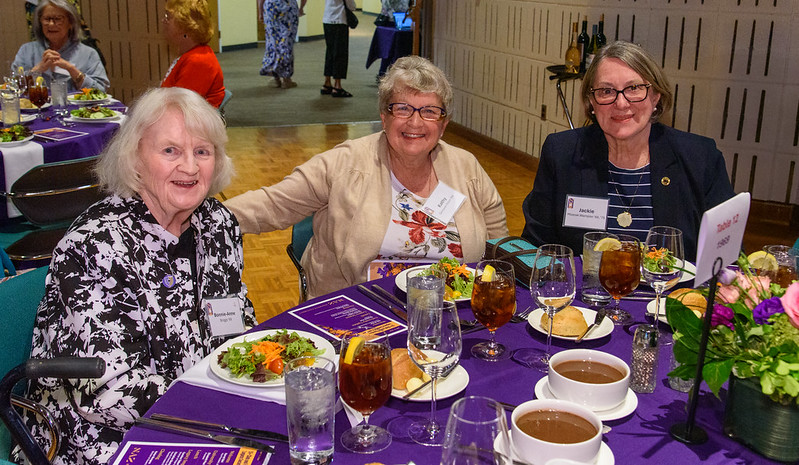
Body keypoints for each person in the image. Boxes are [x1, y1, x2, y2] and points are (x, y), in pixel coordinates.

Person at [22, 87, 256, 464]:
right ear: (134, 160)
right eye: (170, 151)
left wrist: (253, 383)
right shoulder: (94, 247)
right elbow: (108, 395)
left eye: (202, 151)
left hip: (204, 415)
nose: (191, 167)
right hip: (102, 437)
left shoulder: (218, 224)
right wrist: (218, 407)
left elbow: (236, 322)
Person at [225, 56, 508, 298]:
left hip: (453, 314)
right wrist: (195, 216)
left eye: (429, 112)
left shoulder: (466, 167)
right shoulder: (344, 164)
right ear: (384, 117)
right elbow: (272, 204)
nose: (415, 122)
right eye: (402, 108)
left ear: (443, 124)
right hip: (359, 311)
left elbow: (499, 249)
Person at [521, 41, 734, 261]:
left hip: (672, 292)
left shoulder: (700, 157)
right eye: (606, 91)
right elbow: (536, 245)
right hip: (586, 293)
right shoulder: (562, 153)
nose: (621, 103)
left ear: (656, 96)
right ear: (591, 101)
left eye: (634, 88)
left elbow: (727, 256)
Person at [13, 0, 109, 92]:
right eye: (46, 19)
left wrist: (72, 70)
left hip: (76, 108)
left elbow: (101, 90)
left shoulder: (88, 54)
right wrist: (38, 69)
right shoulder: (26, 50)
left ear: (70, 22)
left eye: (58, 19)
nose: (51, 24)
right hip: (37, 107)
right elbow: (13, 87)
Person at [160, 0, 226, 108]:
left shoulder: (198, 61)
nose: (164, 21)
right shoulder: (190, 54)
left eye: (169, 17)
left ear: (186, 27)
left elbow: (180, 107)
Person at [258, 0, 307, 89]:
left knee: (272, 41)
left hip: (271, 6)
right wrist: (301, 8)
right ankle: (286, 78)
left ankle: (275, 77)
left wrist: (260, 11)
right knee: (286, 41)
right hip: (289, 7)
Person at [320, 0, 356, 98]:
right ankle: (337, 86)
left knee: (330, 52)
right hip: (340, 20)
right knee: (340, 53)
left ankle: (327, 83)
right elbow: (351, 6)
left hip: (327, 19)